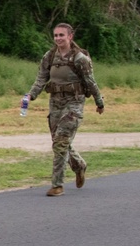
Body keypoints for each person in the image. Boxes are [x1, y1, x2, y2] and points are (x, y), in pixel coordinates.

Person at [24, 22, 105, 196]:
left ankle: (57, 185)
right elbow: (41, 79)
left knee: (61, 143)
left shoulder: (80, 59)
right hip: (55, 103)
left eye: (62, 35)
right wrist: (30, 95)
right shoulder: (50, 56)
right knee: (58, 142)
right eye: (56, 35)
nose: (58, 38)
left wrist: (99, 102)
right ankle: (79, 165)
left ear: (70, 36)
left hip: (74, 103)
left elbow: (91, 82)